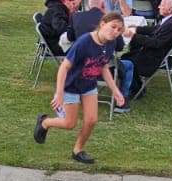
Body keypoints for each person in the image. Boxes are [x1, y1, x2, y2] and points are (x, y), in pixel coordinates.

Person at [34, 10, 128, 163]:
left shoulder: (111, 43)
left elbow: (103, 67)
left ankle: (78, 150)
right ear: (103, 24)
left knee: (91, 121)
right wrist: (59, 93)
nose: (116, 32)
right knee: (69, 124)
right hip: (70, 86)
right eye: (113, 27)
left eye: (119, 30)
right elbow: (64, 67)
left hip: (88, 85)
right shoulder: (84, 42)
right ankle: (45, 122)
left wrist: (115, 90)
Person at [120, 0, 172, 100]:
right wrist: (138, 29)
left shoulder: (171, 25)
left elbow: (156, 43)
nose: (159, 6)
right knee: (128, 54)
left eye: (162, 5)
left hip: (153, 58)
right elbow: (156, 29)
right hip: (156, 52)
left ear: (170, 9)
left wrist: (133, 36)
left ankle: (136, 90)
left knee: (126, 60)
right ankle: (137, 86)